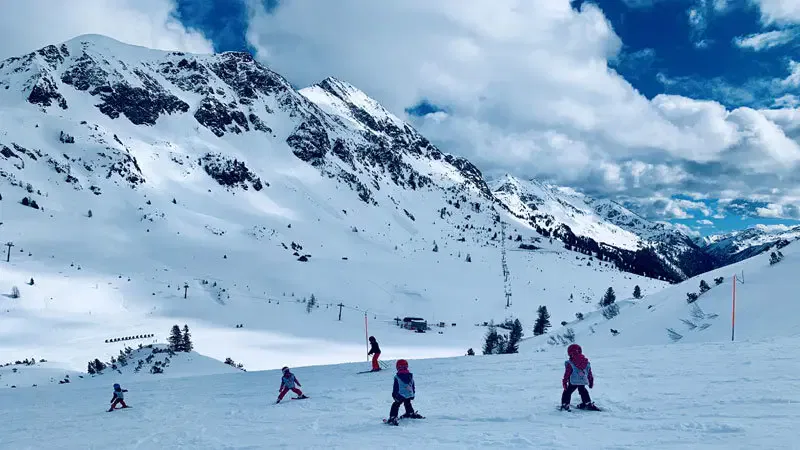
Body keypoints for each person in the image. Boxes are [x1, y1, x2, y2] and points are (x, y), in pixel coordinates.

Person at [561, 344, 599, 411]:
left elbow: (567, 373)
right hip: (583, 381)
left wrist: (564, 382)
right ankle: (587, 403)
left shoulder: (570, 363)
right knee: (583, 391)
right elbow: (589, 373)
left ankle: (565, 404)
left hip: (573, 381)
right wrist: (591, 381)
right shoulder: (586, 362)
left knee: (567, 392)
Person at [386, 359, 422, 425]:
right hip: (409, 393)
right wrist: (413, 394)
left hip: (401, 394)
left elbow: (396, 387)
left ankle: (393, 417)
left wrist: (394, 395)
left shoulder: (397, 377)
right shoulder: (410, 376)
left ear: (397, 367)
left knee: (395, 404)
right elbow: (412, 386)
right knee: (407, 402)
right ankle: (410, 412)